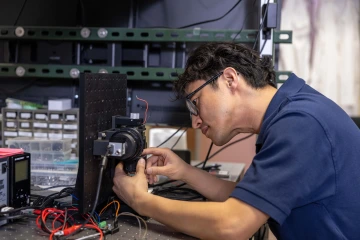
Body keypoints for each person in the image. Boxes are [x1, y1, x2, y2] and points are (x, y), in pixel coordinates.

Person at [112, 42, 360, 239]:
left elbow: (233, 225)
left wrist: (140, 201)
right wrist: (185, 172)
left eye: (194, 103)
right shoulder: (294, 111)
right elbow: (250, 200)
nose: (195, 122)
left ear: (229, 79)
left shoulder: (300, 124)